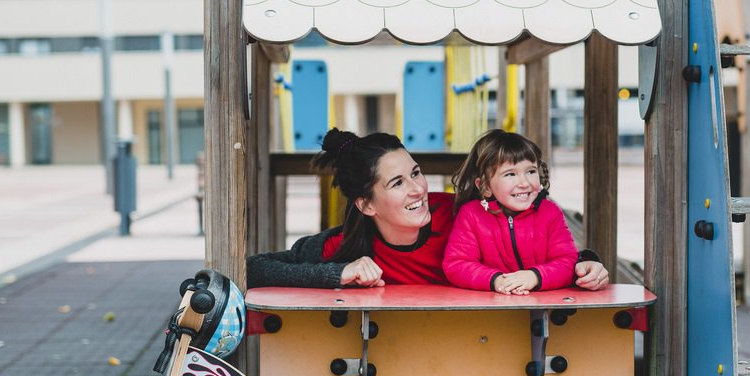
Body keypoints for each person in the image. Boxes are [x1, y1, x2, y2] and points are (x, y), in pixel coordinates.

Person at [246, 128, 610, 291]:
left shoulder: (463, 211)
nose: (418, 189)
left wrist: (585, 262)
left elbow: (528, 235)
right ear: (366, 204)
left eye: (416, 173)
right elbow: (254, 268)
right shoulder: (348, 248)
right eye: (397, 183)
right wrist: (337, 274)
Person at [443, 130, 577, 295]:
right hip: (492, 308)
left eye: (531, 171)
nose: (524, 182)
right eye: (510, 174)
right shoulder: (471, 215)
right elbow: (457, 264)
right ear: (485, 186)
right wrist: (496, 280)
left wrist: (534, 277)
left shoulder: (550, 213)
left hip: (543, 304)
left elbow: (568, 263)